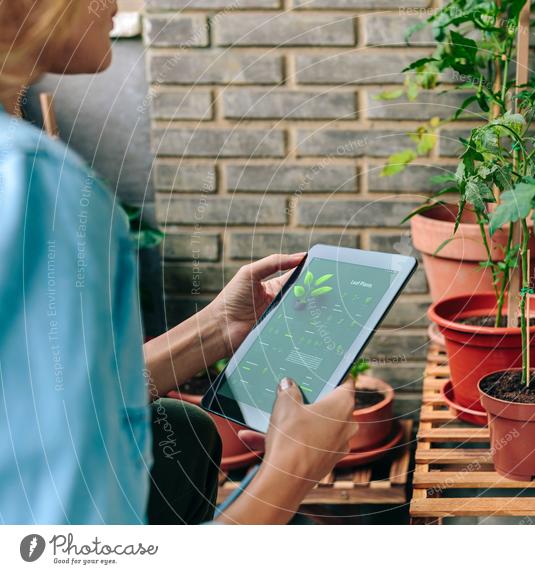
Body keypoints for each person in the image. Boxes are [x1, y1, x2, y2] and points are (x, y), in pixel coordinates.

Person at [0, 0, 356, 524]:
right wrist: (291, 469)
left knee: (179, 431)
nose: (115, 4)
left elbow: (37, 407)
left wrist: (217, 328)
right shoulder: (32, 188)